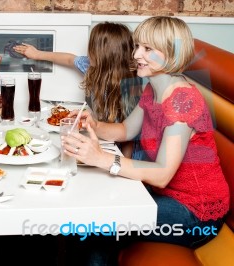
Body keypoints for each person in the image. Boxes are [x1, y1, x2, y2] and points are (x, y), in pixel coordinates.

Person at [62, 16, 230, 264]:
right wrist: (94, 124)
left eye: (147, 49)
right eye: (137, 46)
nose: (136, 55)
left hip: (197, 213)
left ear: (171, 53)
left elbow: (162, 173)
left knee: (96, 226)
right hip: (165, 194)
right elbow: (126, 130)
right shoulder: (155, 87)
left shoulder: (183, 101)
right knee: (91, 217)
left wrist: (102, 158)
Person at [13, 22, 144, 160]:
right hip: (104, 139)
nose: (88, 52)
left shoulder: (130, 87)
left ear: (104, 54)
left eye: (92, 47)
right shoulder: (91, 67)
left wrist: (123, 164)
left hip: (124, 152)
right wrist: (37, 54)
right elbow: (69, 59)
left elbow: (130, 136)